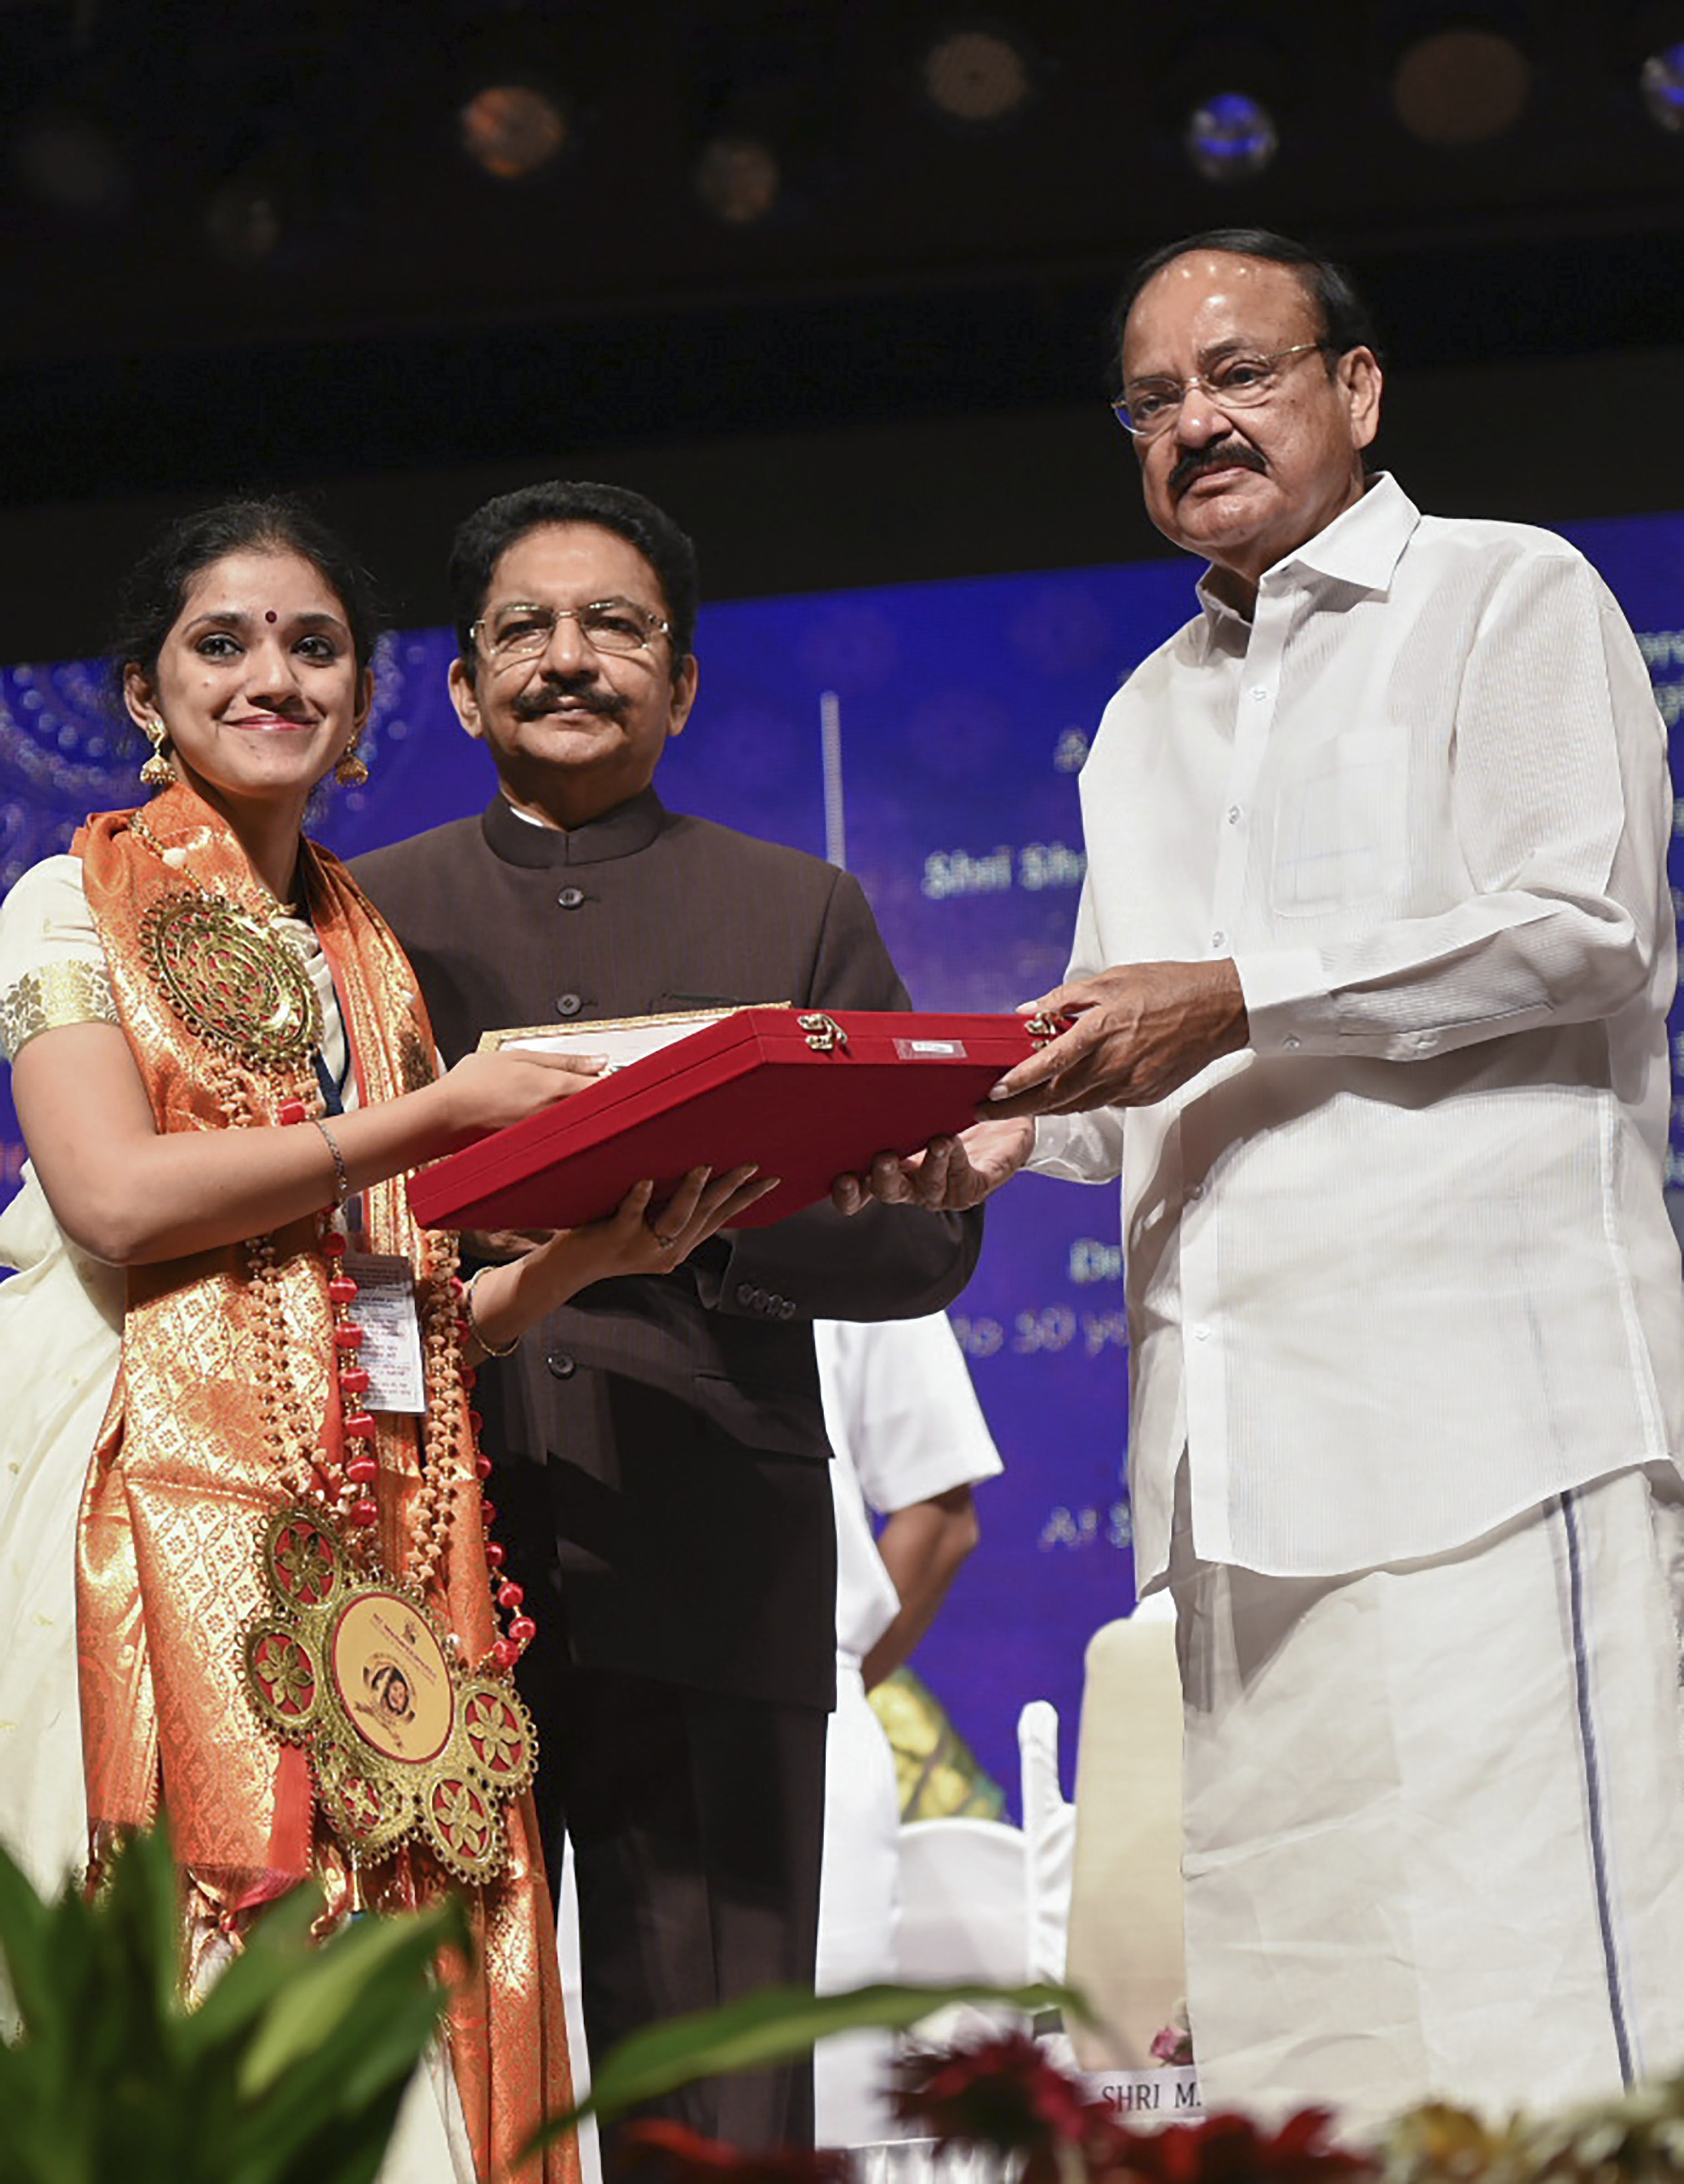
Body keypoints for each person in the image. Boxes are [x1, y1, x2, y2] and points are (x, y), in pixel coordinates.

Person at [837, 229, 1684, 2133]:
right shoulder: (1139, 718)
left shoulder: (1502, 595)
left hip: (1488, 1422)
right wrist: (974, 1129)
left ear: (1356, 388)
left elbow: (1581, 927)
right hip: (1229, 1468)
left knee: (1531, 1988)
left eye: (1239, 372)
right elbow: (1123, 1077)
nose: (1193, 423)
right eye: (1151, 401)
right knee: (1306, 2023)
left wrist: (1231, 997)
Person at [0, 497, 769, 2184]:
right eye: (224, 643)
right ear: (145, 694)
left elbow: (385, 1319)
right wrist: (429, 1125)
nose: (270, 676)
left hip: (367, 1530)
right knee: (212, 1971)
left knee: (391, 1992)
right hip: (139, 1495)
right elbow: (121, 1203)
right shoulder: (66, 906)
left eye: (313, 647)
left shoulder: (367, 961)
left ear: (359, 710)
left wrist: (584, 1261)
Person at [350, 479, 983, 2152]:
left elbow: (926, 1248)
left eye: (616, 627)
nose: (571, 661)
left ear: (684, 684)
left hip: (712, 1558)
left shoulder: (801, 913)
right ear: (467, 686)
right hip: (419, 1584)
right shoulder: (358, 925)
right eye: (526, 632)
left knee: (720, 2113)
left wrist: (704, 1235)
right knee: (422, 2100)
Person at [811, 1311, 1002, 2147]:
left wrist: (824, 1678)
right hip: (527, 1717)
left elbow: (940, 1506)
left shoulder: (850, 1194)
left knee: (808, 2123)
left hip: (795, 1740)